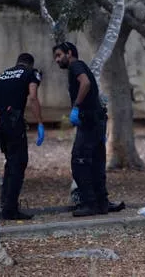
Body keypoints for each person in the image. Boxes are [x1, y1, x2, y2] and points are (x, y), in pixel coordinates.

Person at [53, 41, 113, 217]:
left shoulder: (76, 65)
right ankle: (102, 203)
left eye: (59, 55)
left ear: (69, 53)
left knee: (78, 162)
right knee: (96, 162)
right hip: (96, 121)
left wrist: (76, 107)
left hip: (89, 122)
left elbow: (85, 83)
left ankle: (90, 203)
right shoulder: (81, 66)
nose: (56, 60)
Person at [0, 53, 45, 220]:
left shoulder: (1, 76)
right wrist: (40, 123)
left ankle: (5, 203)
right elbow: (33, 97)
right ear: (30, 64)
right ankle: (10, 209)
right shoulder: (31, 73)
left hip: (1, 124)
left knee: (10, 163)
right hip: (15, 123)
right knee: (19, 163)